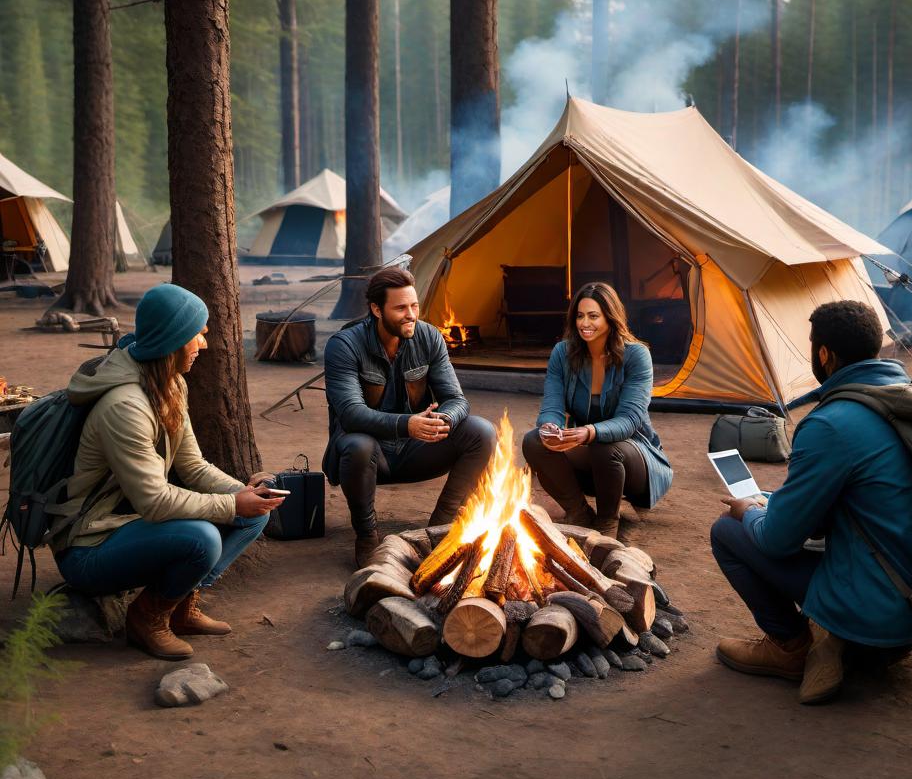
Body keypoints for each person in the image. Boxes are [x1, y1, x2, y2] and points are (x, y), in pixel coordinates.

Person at [53, 284, 285, 661]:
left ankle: (180, 604)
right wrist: (231, 504)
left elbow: (192, 466)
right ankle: (147, 618)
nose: (204, 346)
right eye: (199, 335)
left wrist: (243, 492)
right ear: (174, 338)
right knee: (203, 537)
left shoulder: (170, 383)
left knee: (254, 515)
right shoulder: (124, 407)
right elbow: (155, 502)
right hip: (88, 547)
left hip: (128, 525)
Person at [710, 300, 912, 705]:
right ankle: (840, 638)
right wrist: (775, 501)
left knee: (727, 530)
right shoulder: (909, 400)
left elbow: (777, 541)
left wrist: (752, 510)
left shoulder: (831, 423)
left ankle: (789, 648)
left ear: (824, 354)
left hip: (873, 612)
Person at [323, 266, 497, 567]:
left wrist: (441, 420)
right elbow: (351, 415)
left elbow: (456, 400)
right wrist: (408, 424)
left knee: (482, 431)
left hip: (416, 450)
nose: (411, 314)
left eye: (414, 305)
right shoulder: (344, 345)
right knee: (358, 444)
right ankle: (366, 536)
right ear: (377, 309)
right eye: (401, 308)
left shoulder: (429, 337)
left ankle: (441, 526)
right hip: (371, 456)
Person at [522, 282, 672, 539]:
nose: (584, 323)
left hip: (634, 459)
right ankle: (579, 514)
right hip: (589, 457)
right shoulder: (563, 353)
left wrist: (590, 432)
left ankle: (606, 524)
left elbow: (631, 419)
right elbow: (552, 406)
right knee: (534, 441)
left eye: (593, 316)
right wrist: (550, 427)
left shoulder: (637, 355)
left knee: (605, 445)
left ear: (610, 318)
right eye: (580, 316)